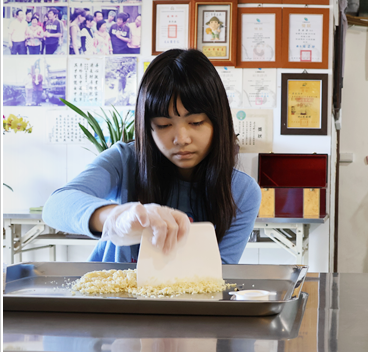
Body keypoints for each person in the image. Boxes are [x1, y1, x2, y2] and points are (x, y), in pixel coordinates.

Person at [42, 49, 262, 263]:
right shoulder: (126, 160)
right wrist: (118, 218)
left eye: (195, 122)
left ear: (218, 121)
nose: (181, 138)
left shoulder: (241, 191)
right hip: (108, 298)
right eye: (164, 125)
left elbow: (218, 273)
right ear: (147, 127)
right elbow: (56, 206)